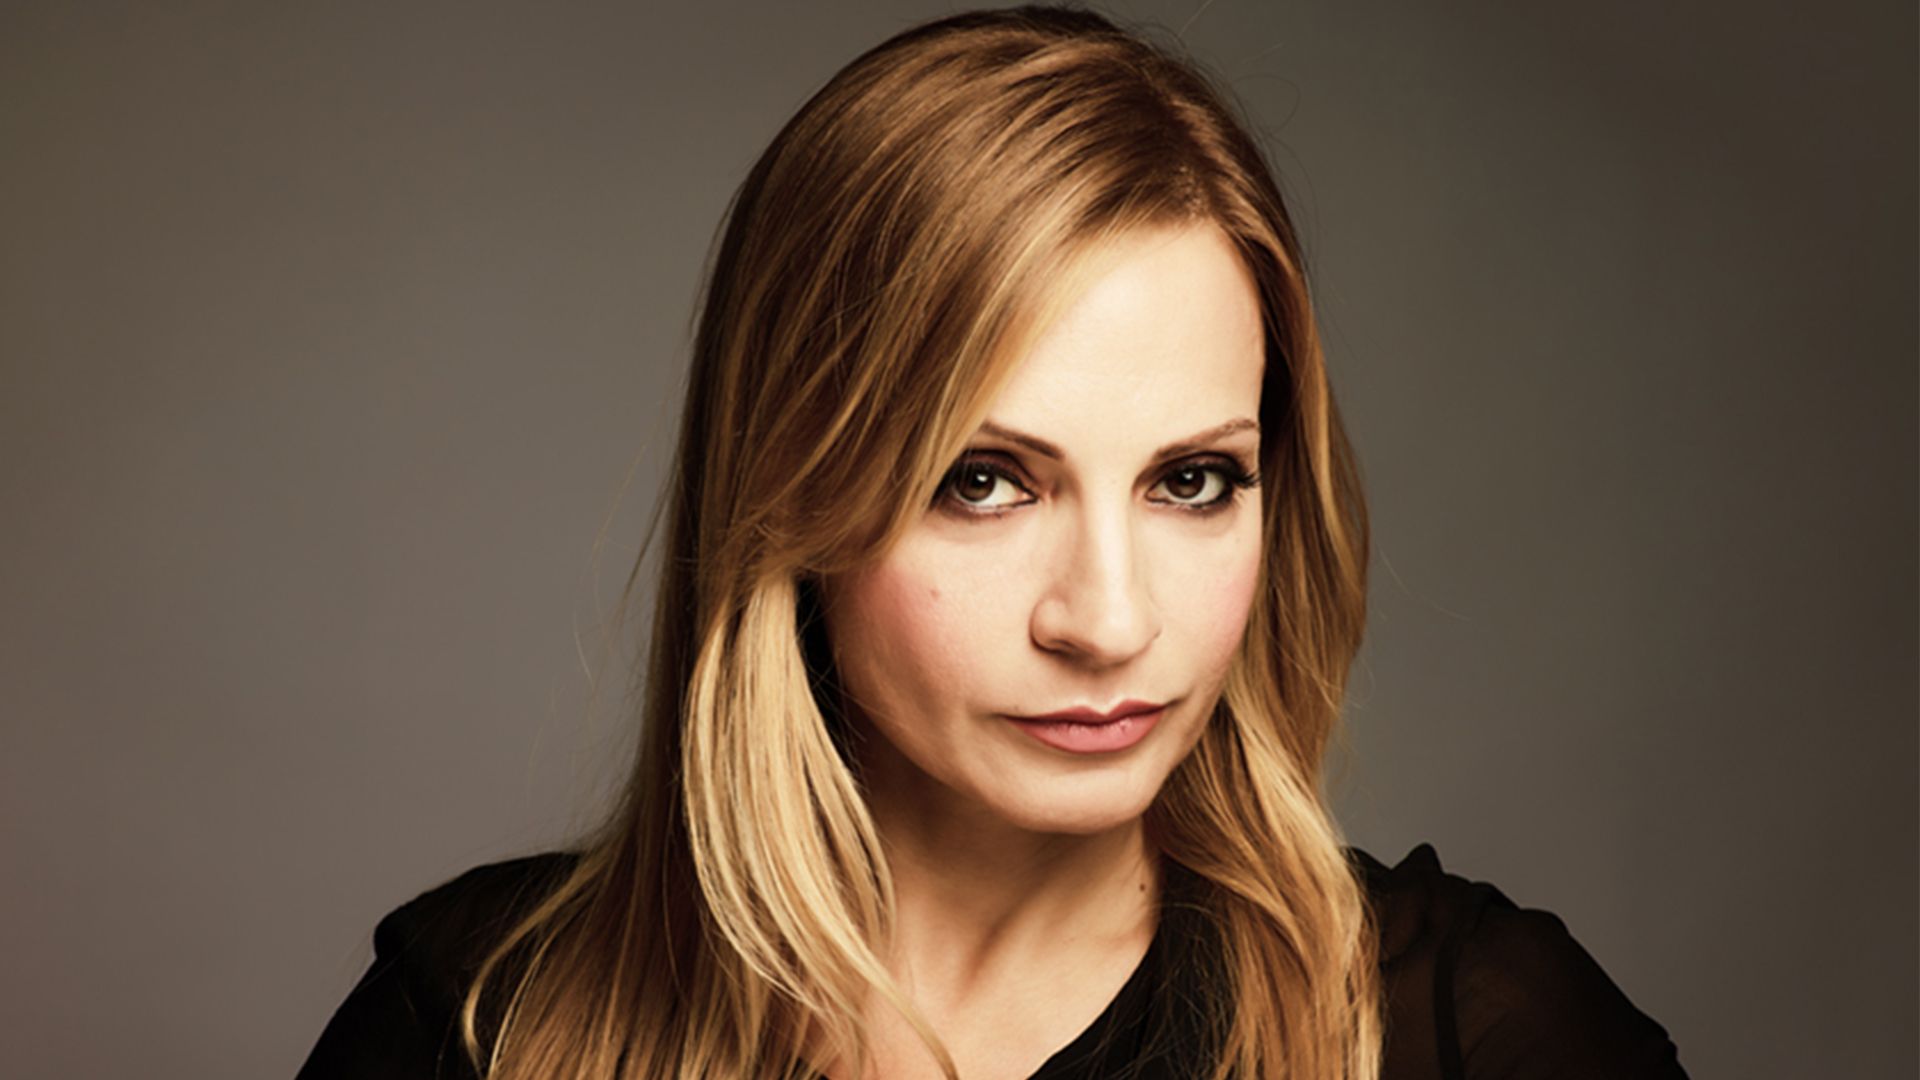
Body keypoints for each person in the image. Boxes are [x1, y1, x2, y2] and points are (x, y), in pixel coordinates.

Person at [296, 6, 1690, 1078]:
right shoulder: (477, 1024)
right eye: (982, 482)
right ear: (790, 493)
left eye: (1194, 481)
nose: (1109, 620)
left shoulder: (1468, 1041)